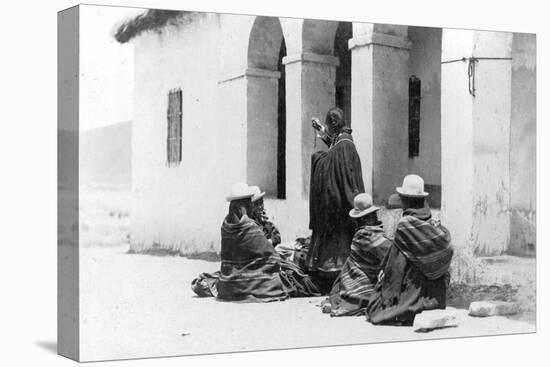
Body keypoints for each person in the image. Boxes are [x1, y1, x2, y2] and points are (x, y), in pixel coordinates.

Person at [191, 183, 320, 301]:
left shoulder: (226, 227)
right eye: (249, 203)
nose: (252, 206)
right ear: (243, 207)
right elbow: (272, 257)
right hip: (251, 283)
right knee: (303, 281)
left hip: (228, 282)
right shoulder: (250, 227)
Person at [365, 175, 453, 326]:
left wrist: (386, 287)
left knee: (374, 309)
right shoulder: (434, 224)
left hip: (415, 292)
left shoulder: (405, 226)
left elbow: (396, 266)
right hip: (437, 297)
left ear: (406, 200)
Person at [308, 107, 365, 293]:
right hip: (336, 204)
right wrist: (321, 131)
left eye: (327, 125)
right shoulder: (343, 141)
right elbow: (334, 148)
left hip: (339, 205)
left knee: (339, 247)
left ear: (333, 124)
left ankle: (337, 279)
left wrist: (318, 160)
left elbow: (340, 167)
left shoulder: (345, 145)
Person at [324, 193, 392, 317]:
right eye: (371, 216)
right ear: (366, 218)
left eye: (374, 215)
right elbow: (389, 251)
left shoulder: (371, 234)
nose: (374, 218)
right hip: (363, 282)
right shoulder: (364, 236)